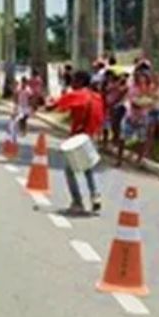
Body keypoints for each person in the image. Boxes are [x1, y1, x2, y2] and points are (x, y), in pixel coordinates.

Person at [47, 71, 103, 216]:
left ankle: (77, 202)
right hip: (92, 136)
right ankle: (95, 194)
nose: (72, 84)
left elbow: (56, 104)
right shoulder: (97, 97)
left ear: (79, 81)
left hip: (78, 137)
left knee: (69, 170)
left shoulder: (77, 95)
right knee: (88, 168)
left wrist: (47, 104)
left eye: (74, 81)